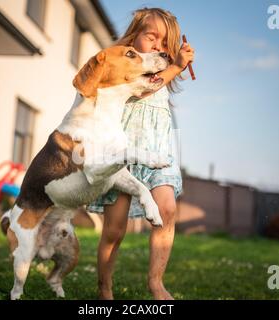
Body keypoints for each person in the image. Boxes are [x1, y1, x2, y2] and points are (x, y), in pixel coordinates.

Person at [87, 7, 195, 300]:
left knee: (167, 209)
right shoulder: (124, 65)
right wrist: (177, 67)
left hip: (159, 152)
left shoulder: (163, 70)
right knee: (115, 229)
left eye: (165, 43)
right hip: (122, 152)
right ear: (134, 37)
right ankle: (104, 288)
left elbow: (160, 81)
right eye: (152, 37)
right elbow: (142, 90)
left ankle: (156, 282)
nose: (159, 47)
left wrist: (174, 65)